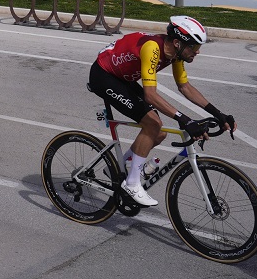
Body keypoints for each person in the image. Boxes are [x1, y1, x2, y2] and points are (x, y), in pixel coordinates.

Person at [89, 15, 235, 207]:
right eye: (194, 47)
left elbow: (185, 87)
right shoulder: (152, 48)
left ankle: (117, 169)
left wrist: (218, 114)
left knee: (159, 133)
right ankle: (132, 184)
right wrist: (185, 120)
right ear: (177, 43)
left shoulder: (176, 54)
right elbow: (150, 95)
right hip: (104, 76)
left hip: (123, 79)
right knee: (153, 124)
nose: (197, 52)